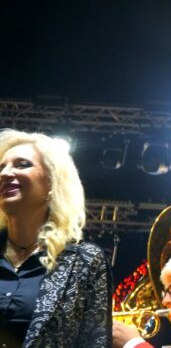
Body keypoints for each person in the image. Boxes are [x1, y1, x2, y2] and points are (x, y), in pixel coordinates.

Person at [0, 129, 112, 347]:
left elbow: (95, 342)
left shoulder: (84, 261)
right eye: (1, 167)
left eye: (22, 164)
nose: (5, 173)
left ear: (52, 182)